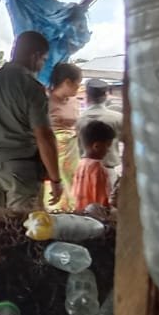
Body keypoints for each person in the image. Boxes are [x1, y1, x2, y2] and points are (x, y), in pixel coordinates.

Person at [0, 32, 60, 213]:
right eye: (44, 60)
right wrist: (55, 179)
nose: (42, 66)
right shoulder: (32, 87)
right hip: (20, 172)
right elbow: (44, 136)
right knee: (22, 228)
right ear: (35, 56)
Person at [46, 62, 83, 210]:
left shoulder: (74, 101)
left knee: (73, 184)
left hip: (72, 150)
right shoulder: (46, 100)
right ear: (67, 82)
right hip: (54, 149)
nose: (79, 87)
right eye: (77, 83)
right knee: (55, 182)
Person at [76, 79, 123, 192]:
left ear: (87, 96)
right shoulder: (117, 118)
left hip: (85, 172)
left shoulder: (79, 119)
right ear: (106, 95)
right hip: (108, 170)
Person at [69, 121, 117, 212]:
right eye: (108, 146)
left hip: (80, 213)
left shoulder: (81, 164)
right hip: (94, 216)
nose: (108, 150)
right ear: (96, 146)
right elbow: (102, 201)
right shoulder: (97, 168)